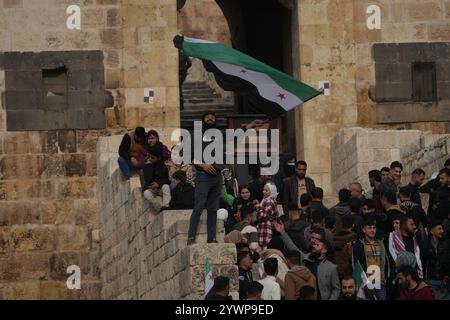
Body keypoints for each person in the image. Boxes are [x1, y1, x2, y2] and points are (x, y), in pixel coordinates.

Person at [187, 112, 223, 245]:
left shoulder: (219, 135)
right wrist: (202, 164)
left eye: (213, 117)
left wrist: (248, 126)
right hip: (203, 176)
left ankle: (212, 238)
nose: (210, 118)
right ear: (203, 120)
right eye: (207, 117)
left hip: (217, 176)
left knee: (213, 209)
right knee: (199, 207)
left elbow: (234, 136)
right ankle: (191, 237)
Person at [352, 216, 390, 300]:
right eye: (369, 228)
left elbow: (385, 261)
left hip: (380, 281)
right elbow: (355, 264)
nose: (372, 230)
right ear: (363, 230)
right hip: (366, 282)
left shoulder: (380, 244)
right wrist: (361, 281)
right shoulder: (359, 246)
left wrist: (385, 277)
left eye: (374, 228)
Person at [388, 214, 423, 278]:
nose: (414, 227)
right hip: (399, 279)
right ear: (404, 225)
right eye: (411, 224)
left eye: (414, 224)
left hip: (414, 279)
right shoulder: (392, 238)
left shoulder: (415, 239)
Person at [422, 220, 450, 300]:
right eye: (439, 229)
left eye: (442, 229)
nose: (442, 231)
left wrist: (448, 275)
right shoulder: (425, 245)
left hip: (445, 280)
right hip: (431, 280)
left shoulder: (446, 244)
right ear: (432, 231)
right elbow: (424, 263)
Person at [142, 145, 171, 212]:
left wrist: (158, 184)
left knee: (166, 187)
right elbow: (148, 179)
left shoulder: (164, 164)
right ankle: (159, 208)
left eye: (153, 158)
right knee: (146, 193)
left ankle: (166, 207)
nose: (150, 159)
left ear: (159, 158)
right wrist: (149, 165)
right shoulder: (147, 164)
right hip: (151, 188)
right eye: (150, 157)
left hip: (160, 187)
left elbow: (167, 179)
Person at [333, 214, 357, 278]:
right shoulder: (353, 239)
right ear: (353, 225)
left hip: (336, 272)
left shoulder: (334, 238)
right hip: (349, 272)